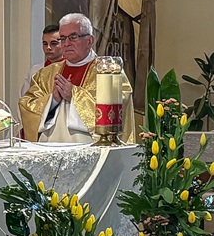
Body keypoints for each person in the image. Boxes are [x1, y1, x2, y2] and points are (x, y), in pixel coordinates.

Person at [18, 13, 135, 143]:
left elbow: (118, 107)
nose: (66, 43)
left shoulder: (109, 72)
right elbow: (27, 104)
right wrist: (53, 100)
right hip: (49, 147)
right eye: (63, 38)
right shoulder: (46, 74)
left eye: (73, 37)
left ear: (90, 41)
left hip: (90, 147)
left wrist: (75, 95)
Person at [19, 22, 65, 96]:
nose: (48, 47)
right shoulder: (35, 70)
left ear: (64, 43)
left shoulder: (71, 68)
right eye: (45, 44)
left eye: (53, 43)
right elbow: (25, 97)